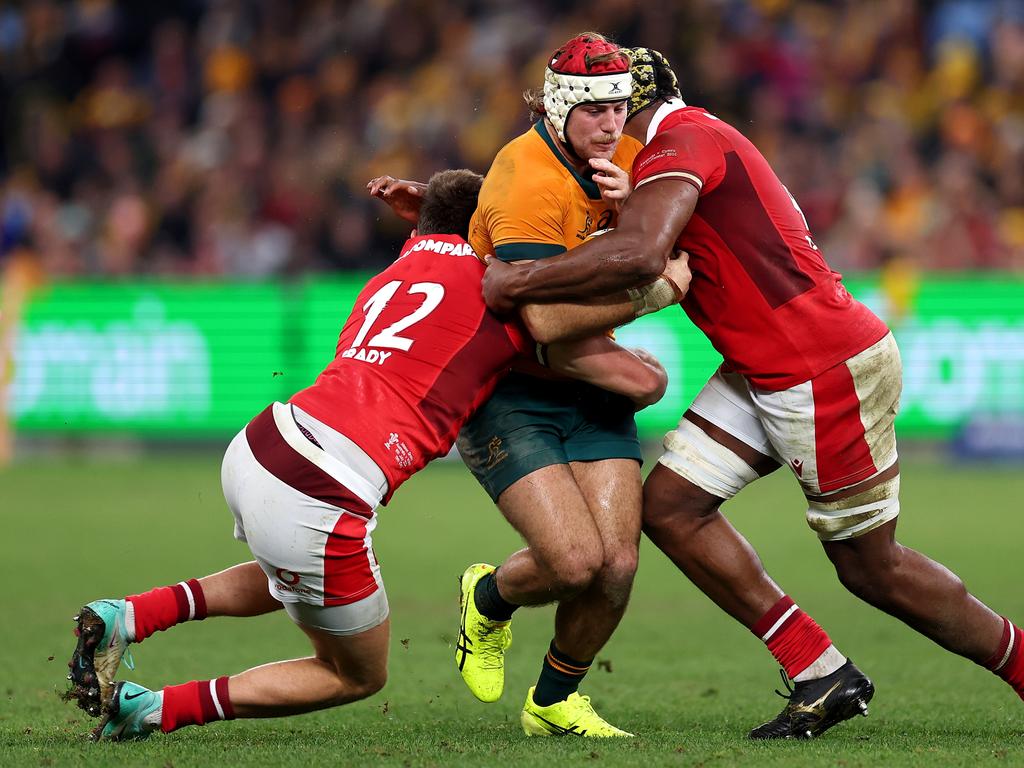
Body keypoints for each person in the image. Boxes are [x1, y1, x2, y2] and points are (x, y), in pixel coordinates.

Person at [481, 47, 1024, 740]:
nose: (602, 131)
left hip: (818, 368)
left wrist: (518, 283)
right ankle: (819, 672)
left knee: (872, 567)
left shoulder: (681, 143)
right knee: (672, 510)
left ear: (634, 111)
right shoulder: (689, 141)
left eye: (611, 113)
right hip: (765, 364)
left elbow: (643, 254)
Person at [62, 169, 670, 741]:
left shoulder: (397, 268)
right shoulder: (499, 293)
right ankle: (150, 711)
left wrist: (430, 202)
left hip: (265, 440)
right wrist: (660, 289)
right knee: (355, 674)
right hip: (324, 489)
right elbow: (605, 356)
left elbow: (449, 224)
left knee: (290, 580)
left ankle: (128, 615)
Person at [370, 32, 689, 738]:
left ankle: (554, 701)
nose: (614, 125)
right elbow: (542, 321)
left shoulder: (629, 159)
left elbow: (670, 236)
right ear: (559, 109)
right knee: (574, 563)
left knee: (618, 564)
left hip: (589, 377)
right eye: (598, 112)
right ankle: (487, 597)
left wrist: (637, 207)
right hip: (512, 388)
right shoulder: (523, 179)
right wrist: (652, 305)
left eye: (621, 108)